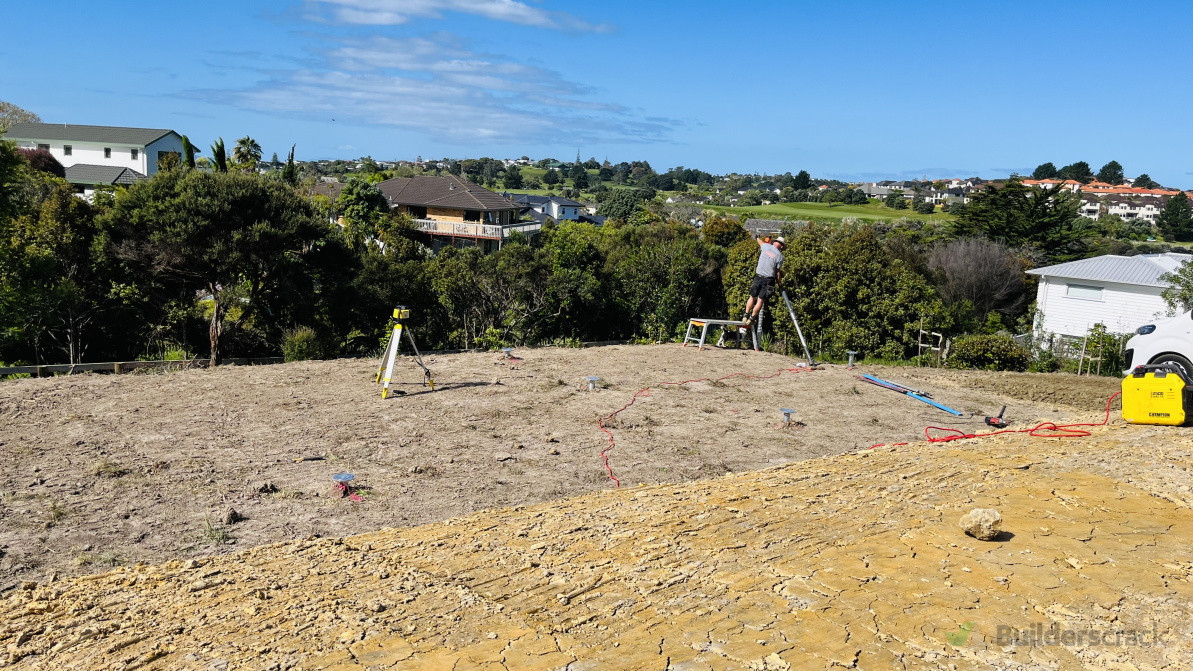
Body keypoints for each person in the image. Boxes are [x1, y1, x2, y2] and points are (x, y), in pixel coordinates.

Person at [743, 236, 784, 326]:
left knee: (752, 297)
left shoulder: (765, 246)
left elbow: (759, 241)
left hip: (758, 277)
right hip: (768, 280)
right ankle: (751, 318)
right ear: (781, 246)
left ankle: (745, 315)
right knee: (760, 301)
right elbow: (777, 273)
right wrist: (780, 285)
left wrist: (757, 237)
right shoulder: (780, 257)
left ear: (774, 242)